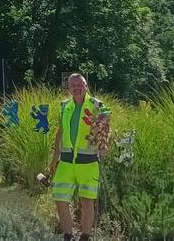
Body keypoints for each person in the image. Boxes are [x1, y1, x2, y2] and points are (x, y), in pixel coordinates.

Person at [47, 73, 108, 241]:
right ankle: (68, 235)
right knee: (60, 198)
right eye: (72, 85)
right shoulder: (64, 106)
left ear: (86, 86)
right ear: (68, 88)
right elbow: (60, 132)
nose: (76, 87)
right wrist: (54, 159)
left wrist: (103, 145)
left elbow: (105, 129)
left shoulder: (97, 105)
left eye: (79, 84)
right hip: (66, 162)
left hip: (88, 163)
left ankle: (85, 236)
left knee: (87, 201)